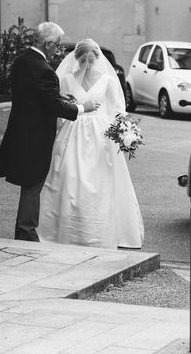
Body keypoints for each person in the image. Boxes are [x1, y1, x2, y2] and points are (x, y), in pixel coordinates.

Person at [0, 22, 100, 241]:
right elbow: (51, 106)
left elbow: (35, 95)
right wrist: (82, 108)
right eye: (57, 46)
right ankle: (26, 232)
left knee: (29, 183)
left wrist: (58, 96)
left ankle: (24, 230)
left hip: (20, 131)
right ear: (48, 44)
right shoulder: (44, 69)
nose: (58, 50)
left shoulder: (21, 61)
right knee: (33, 184)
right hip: (37, 136)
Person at [36, 39, 144, 249]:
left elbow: (117, 109)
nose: (87, 64)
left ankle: (83, 230)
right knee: (77, 178)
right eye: (84, 60)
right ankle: (77, 231)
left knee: (88, 180)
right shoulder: (69, 79)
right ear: (80, 60)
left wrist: (125, 131)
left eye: (89, 60)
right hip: (82, 132)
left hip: (94, 136)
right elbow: (115, 111)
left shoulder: (103, 80)